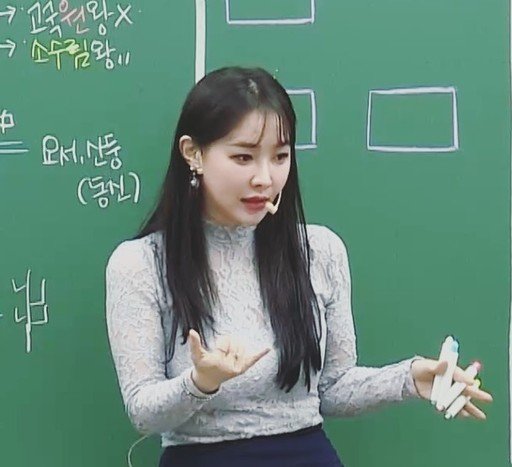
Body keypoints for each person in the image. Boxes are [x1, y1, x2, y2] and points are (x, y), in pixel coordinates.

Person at [105, 67, 493, 467]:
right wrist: (200, 382)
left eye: (280, 156)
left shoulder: (319, 251)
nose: (265, 178)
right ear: (193, 153)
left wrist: (409, 379)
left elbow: (333, 389)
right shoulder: (141, 264)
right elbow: (142, 411)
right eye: (243, 157)